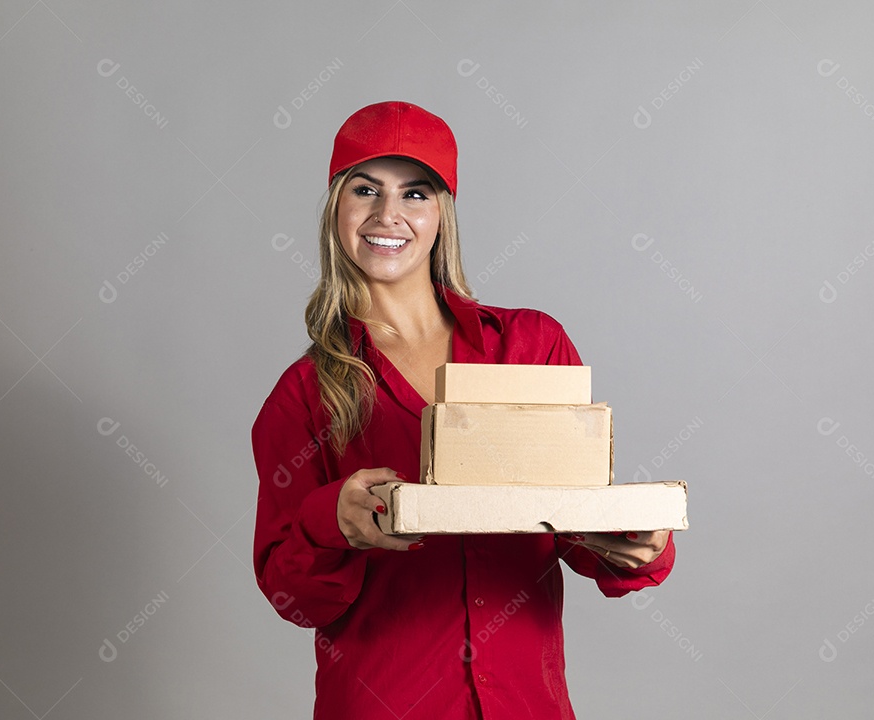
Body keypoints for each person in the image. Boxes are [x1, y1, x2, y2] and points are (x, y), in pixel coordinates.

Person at [251, 100, 675, 720]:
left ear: (443, 214)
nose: (387, 215)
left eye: (415, 194)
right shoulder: (304, 394)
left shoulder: (532, 348)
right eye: (365, 189)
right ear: (336, 207)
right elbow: (292, 599)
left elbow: (574, 528)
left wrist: (637, 543)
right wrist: (331, 521)